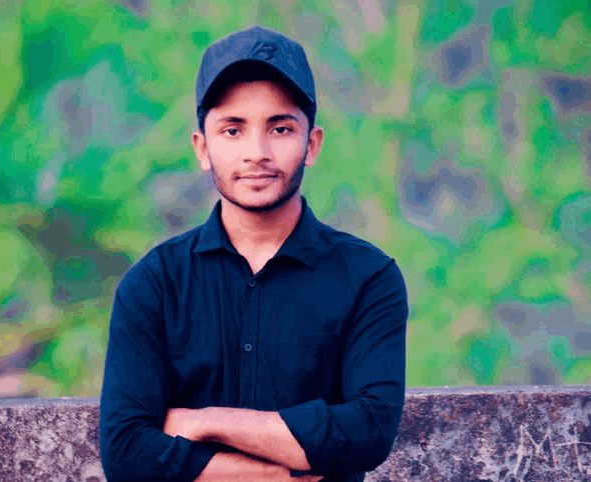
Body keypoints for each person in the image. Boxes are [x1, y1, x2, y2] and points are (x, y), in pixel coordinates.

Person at [99, 25, 409, 482]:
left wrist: (203, 422)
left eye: (280, 128)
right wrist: (270, 478)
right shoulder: (155, 282)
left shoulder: (368, 277)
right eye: (233, 129)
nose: (256, 153)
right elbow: (126, 452)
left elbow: (368, 432)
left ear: (313, 143)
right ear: (202, 148)